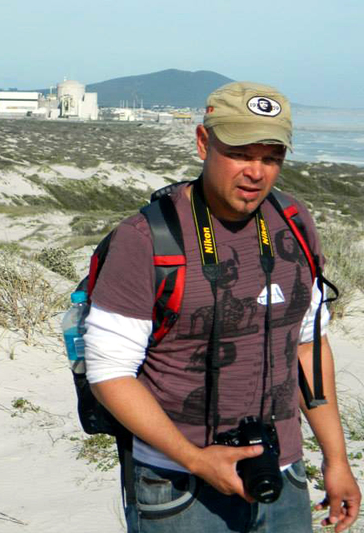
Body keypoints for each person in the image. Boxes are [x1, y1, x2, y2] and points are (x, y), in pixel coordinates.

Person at [84, 82, 360, 532]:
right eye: (240, 153)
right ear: (203, 142)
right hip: (179, 485)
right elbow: (109, 373)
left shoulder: (294, 222)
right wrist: (196, 459)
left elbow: (308, 346)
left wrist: (336, 459)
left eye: (271, 158)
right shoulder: (146, 240)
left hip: (282, 473)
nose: (256, 172)